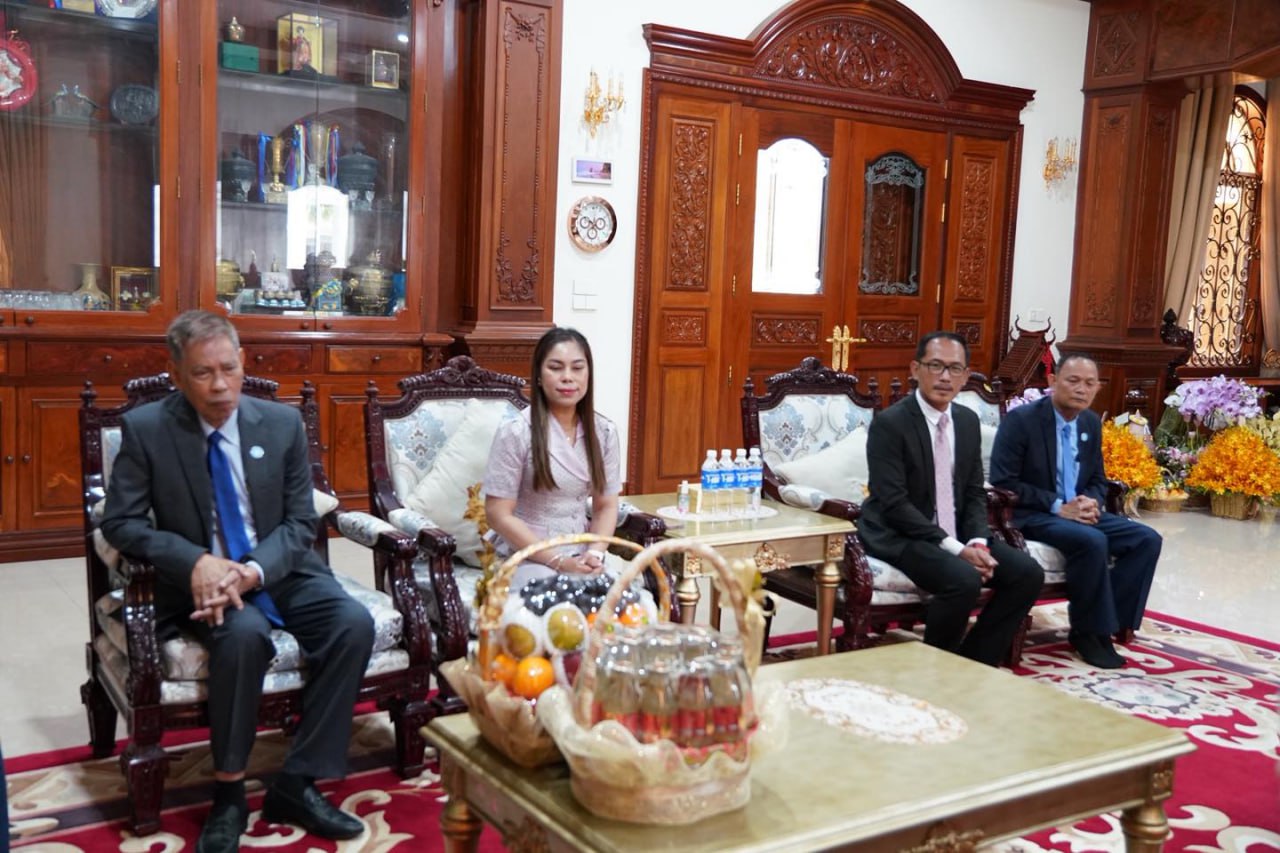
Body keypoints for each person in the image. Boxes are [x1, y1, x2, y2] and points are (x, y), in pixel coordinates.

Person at [100, 311, 373, 853]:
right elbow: (121, 523)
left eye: (229, 368)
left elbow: (300, 522)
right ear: (177, 375)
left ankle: (297, 782)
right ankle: (228, 794)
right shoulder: (148, 429)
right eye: (203, 373)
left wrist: (251, 570)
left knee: (352, 624)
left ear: (244, 362)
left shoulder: (281, 423)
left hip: (275, 568)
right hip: (202, 583)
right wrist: (195, 560)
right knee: (243, 635)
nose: (220, 385)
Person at [857, 331, 1044, 666]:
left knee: (1027, 573)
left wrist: (978, 542)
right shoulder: (891, 424)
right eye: (935, 366)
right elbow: (894, 503)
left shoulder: (967, 421)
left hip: (956, 531)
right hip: (899, 533)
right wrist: (958, 550)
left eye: (955, 369)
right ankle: (939, 667)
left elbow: (973, 491)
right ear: (915, 369)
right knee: (962, 578)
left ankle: (975, 661)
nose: (945, 377)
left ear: (966, 375)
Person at [990, 353, 1161, 669]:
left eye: (1089, 383)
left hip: (1077, 512)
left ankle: (1111, 624)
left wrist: (1090, 502)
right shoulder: (1022, 421)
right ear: (1053, 381)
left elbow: (1097, 479)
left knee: (1146, 539)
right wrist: (1059, 506)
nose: (1081, 389)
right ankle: (1088, 633)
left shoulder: (1090, 422)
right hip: (1032, 514)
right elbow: (1005, 482)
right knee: (1091, 540)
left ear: (1097, 388)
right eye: (1073, 381)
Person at [484, 327, 621, 589]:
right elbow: (497, 514)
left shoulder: (604, 432)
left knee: (623, 601)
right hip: (527, 554)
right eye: (556, 368)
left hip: (581, 552)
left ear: (588, 374)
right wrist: (558, 561)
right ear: (538, 376)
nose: (567, 377)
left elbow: (606, 506)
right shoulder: (516, 432)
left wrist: (595, 553)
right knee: (556, 601)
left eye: (577, 368)